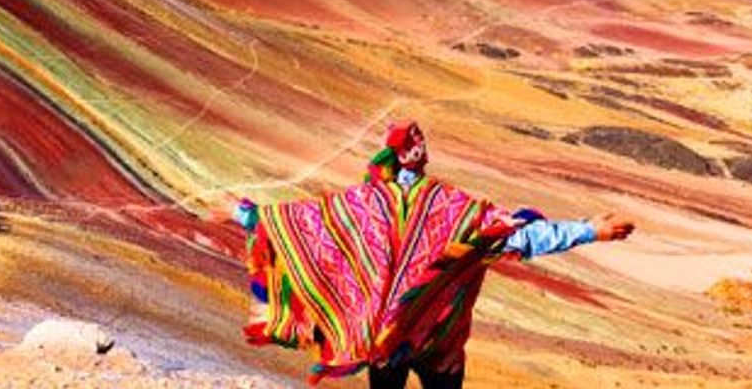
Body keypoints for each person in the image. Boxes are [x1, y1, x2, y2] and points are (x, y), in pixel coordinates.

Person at [233, 120, 634, 387]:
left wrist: (244, 213)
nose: (422, 147)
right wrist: (589, 230)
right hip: (439, 338)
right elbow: (520, 236)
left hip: (386, 338)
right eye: (418, 143)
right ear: (416, 155)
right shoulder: (452, 207)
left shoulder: (363, 205)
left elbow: (299, 222)